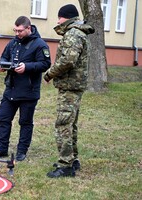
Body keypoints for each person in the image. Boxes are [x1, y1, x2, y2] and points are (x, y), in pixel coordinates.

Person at [0, 16, 51, 161]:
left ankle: (22, 151)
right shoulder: (13, 43)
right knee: (3, 118)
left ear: (28, 28)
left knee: (25, 122)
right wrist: (1, 66)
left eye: (20, 31)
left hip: (29, 90)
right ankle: (2, 149)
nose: (17, 33)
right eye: (15, 30)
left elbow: (45, 64)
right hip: (11, 89)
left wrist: (27, 67)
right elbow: (4, 58)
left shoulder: (40, 44)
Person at [43, 4, 95, 178]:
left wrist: (49, 74)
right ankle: (73, 160)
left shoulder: (73, 33)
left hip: (70, 86)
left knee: (63, 124)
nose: (57, 21)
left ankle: (65, 165)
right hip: (74, 85)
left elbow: (68, 61)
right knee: (70, 124)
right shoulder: (79, 32)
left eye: (59, 17)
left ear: (66, 17)